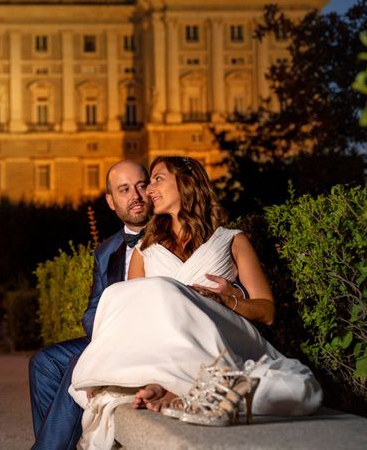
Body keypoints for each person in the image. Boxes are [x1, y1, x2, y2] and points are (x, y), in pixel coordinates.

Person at [69, 156, 322, 449]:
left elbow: (267, 312)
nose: (148, 189)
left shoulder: (231, 240)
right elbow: (134, 319)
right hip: (166, 347)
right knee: (119, 295)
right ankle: (168, 382)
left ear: (186, 183)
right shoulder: (144, 250)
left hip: (223, 336)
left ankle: (181, 382)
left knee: (164, 291)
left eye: (157, 179)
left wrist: (227, 299)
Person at [28, 160, 153, 450]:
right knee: (43, 363)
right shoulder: (105, 250)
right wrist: (103, 333)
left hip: (148, 340)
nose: (134, 195)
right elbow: (93, 308)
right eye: (124, 190)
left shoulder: (172, 235)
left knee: (78, 364)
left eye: (141, 186)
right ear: (111, 201)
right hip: (107, 337)